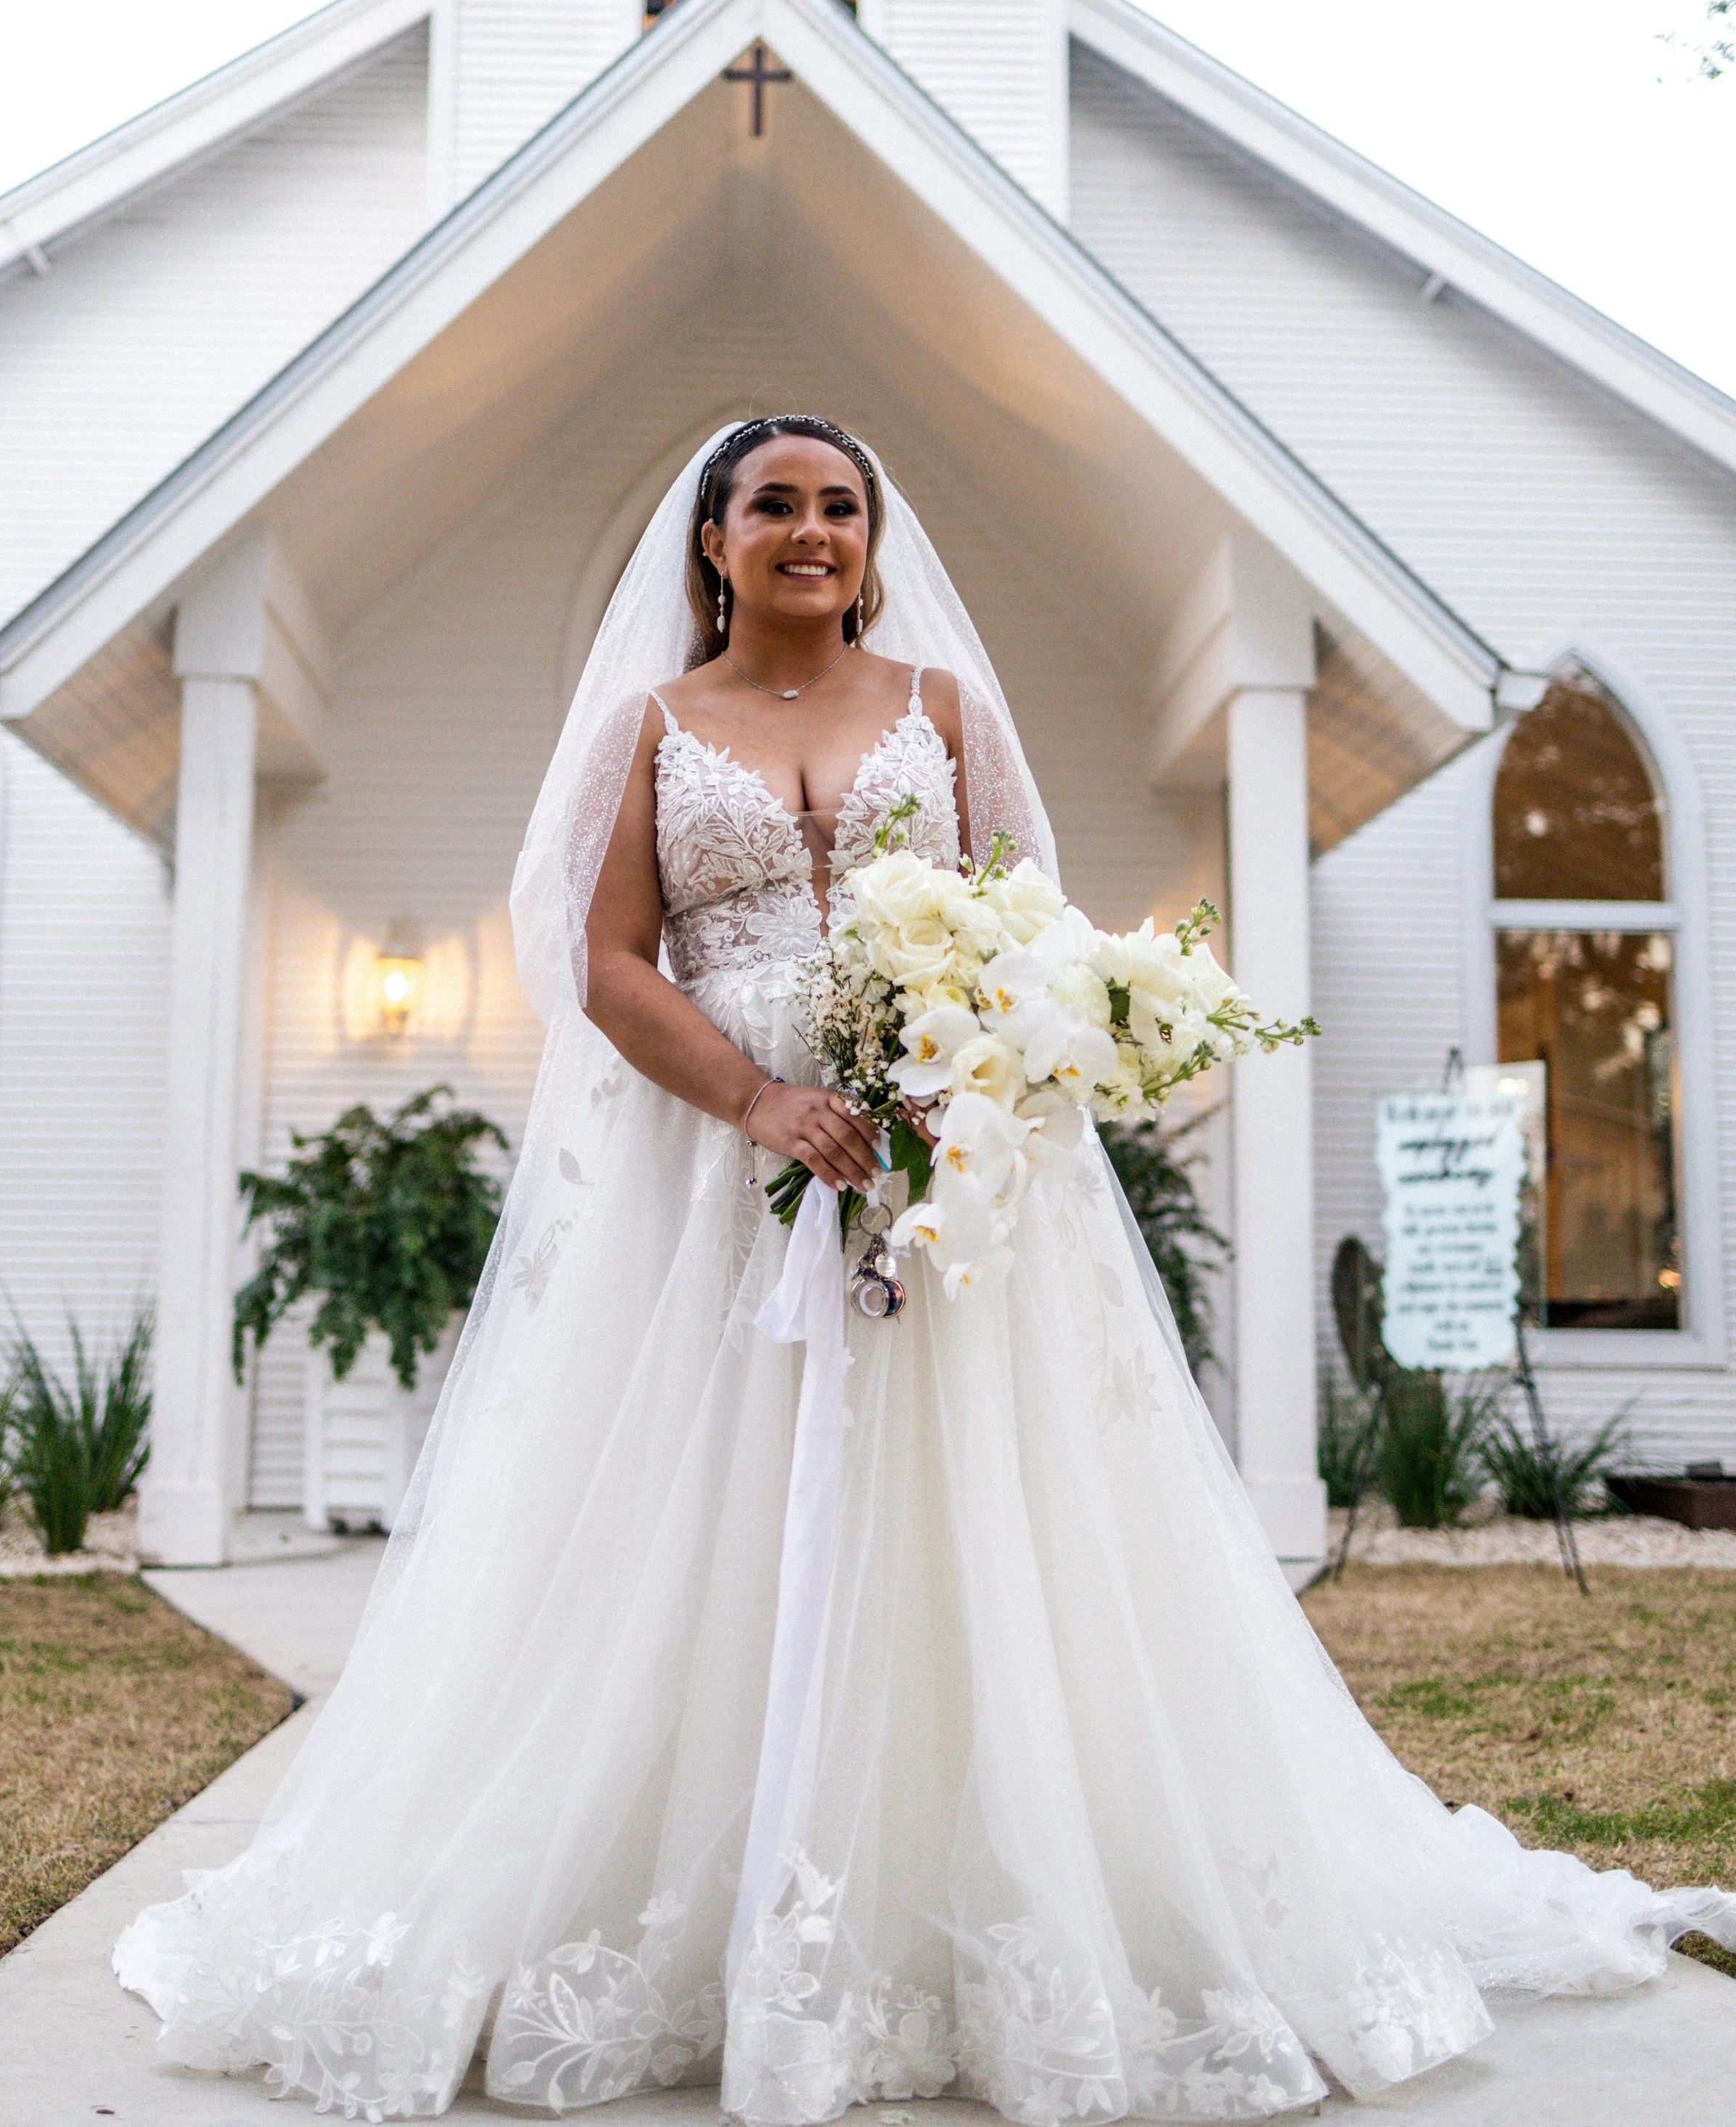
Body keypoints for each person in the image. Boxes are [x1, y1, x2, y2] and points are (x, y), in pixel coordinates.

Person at [115, 417, 1736, 2123]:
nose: (808, 530)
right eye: (774, 506)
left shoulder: (943, 712)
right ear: (713, 542)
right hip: (712, 1176)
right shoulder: (652, 727)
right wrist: (760, 1097)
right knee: (709, 1498)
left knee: (972, 1512)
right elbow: (598, 960)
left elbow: (1025, 923)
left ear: (868, 540)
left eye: (837, 506)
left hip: (946, 1162)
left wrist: (948, 1076)